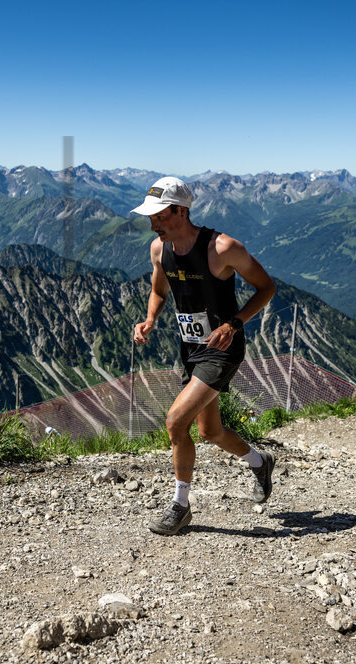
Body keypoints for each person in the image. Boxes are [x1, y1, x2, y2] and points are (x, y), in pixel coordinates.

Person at [131, 176, 277, 535]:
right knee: (209, 430)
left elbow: (266, 287)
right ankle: (260, 462)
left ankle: (180, 506)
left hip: (223, 349)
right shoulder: (158, 250)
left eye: (159, 216)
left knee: (175, 421)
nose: (152, 223)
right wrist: (150, 318)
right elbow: (159, 291)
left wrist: (234, 323)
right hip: (191, 350)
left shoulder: (222, 248)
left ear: (181, 211)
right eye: (150, 217)